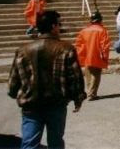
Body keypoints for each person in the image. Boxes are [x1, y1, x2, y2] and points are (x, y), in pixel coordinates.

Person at [8, 10, 86, 149]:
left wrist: (15, 93)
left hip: (31, 105)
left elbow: (14, 80)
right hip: (56, 103)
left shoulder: (23, 50)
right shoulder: (66, 49)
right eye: (59, 24)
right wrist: (78, 97)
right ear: (52, 26)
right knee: (55, 142)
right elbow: (75, 77)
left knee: (29, 143)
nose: (60, 27)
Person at [74, 11, 110, 101]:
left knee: (88, 74)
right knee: (96, 75)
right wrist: (104, 56)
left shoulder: (84, 31)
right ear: (100, 20)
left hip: (87, 56)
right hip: (97, 55)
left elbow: (79, 44)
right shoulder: (102, 30)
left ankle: (90, 91)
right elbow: (104, 45)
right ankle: (92, 94)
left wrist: (81, 55)